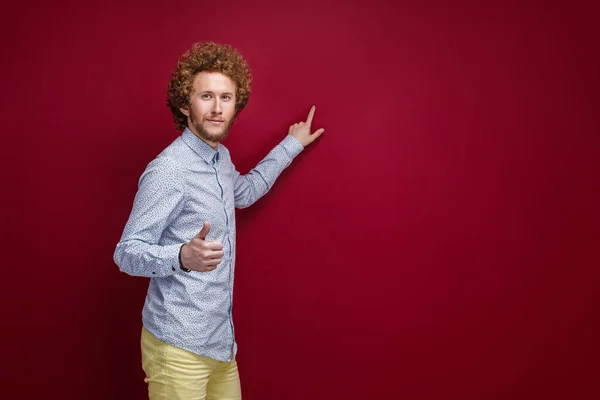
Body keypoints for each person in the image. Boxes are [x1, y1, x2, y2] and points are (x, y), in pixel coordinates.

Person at [113, 41, 323, 400]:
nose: (216, 108)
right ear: (184, 104)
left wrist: (291, 145)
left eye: (226, 98)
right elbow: (126, 253)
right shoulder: (169, 169)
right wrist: (181, 256)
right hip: (177, 347)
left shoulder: (219, 158)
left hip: (220, 343)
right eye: (206, 96)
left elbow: (243, 192)